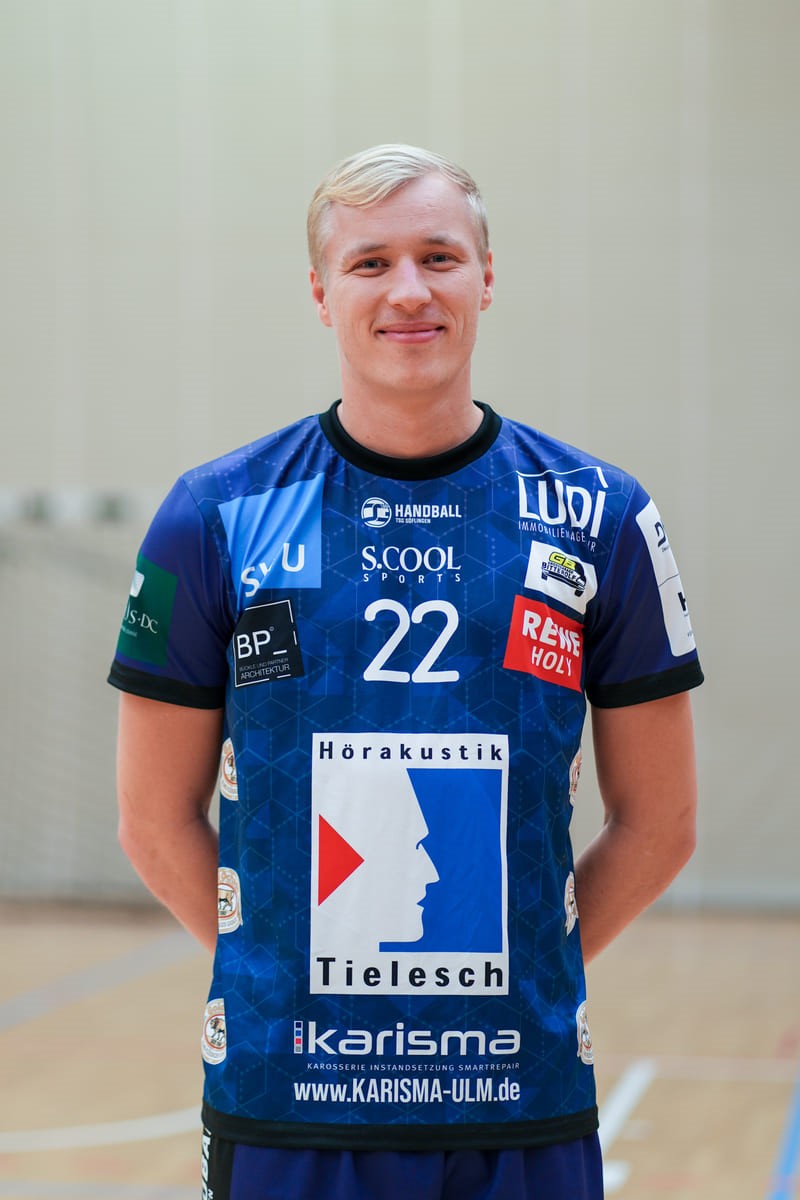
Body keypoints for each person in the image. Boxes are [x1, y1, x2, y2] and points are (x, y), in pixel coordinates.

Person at [109, 144, 702, 1200]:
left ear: (486, 277)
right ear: (320, 292)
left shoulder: (601, 516)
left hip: (518, 1099)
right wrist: (281, 971)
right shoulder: (215, 517)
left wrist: (526, 970)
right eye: (370, 263)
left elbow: (660, 824)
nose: (409, 291)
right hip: (286, 1100)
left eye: (438, 256)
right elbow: (154, 821)